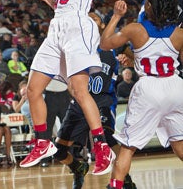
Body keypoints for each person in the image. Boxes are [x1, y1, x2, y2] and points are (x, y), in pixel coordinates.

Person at [19, 0, 115, 175]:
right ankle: (42, 142)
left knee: (79, 90)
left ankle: (102, 147)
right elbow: (61, 4)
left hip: (78, 27)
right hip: (58, 27)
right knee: (33, 89)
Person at [99, 0, 183, 189]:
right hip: (174, 85)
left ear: (151, 6)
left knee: (128, 147)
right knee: (180, 143)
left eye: (147, 0)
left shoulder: (135, 29)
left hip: (149, 88)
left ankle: (116, 186)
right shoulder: (180, 33)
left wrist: (116, 16)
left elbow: (105, 44)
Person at [53, 12, 136, 189]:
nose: (90, 20)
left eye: (95, 18)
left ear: (103, 25)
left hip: (103, 101)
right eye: (87, 18)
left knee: (107, 138)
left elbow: (134, 59)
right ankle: (77, 167)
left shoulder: (113, 44)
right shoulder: (75, 46)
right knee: (58, 151)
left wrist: (128, 59)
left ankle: (125, 179)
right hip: (80, 103)